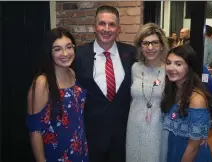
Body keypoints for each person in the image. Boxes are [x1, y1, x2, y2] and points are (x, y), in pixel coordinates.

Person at [75, 5, 136, 162]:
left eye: (112, 24)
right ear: (95, 27)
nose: (106, 29)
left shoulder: (132, 54)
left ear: (118, 29)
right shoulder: (78, 56)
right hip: (90, 138)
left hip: (122, 139)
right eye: (102, 23)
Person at [26, 27, 88, 162]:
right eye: (57, 49)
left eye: (69, 47)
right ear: (49, 52)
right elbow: (35, 131)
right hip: (56, 154)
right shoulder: (43, 83)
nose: (65, 53)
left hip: (79, 150)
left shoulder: (72, 73)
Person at [161, 45, 212, 162]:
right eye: (168, 63)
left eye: (178, 64)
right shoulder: (173, 91)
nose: (171, 68)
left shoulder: (196, 99)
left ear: (189, 68)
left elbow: (193, 147)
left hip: (190, 156)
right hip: (174, 150)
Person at [126, 23, 169, 162]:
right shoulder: (134, 68)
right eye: (146, 43)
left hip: (158, 126)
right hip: (134, 125)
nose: (150, 48)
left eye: (155, 43)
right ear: (140, 46)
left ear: (162, 45)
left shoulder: (169, 70)